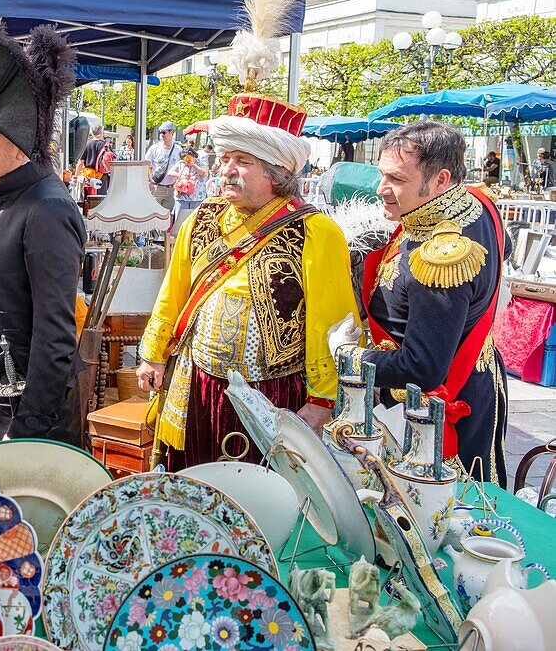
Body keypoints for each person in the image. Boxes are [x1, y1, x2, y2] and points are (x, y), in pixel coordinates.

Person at [136, 93, 361, 467]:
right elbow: (172, 292)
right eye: (224, 159)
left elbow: (335, 324)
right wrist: (153, 355)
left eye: (243, 161)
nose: (227, 170)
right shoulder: (202, 219)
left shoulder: (315, 232)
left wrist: (321, 401)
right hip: (196, 386)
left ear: (276, 172)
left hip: (273, 396)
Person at [329, 121, 509, 485]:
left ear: (441, 180)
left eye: (397, 179)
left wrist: (348, 353)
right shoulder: (471, 200)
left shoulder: (442, 256)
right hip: (474, 376)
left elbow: (422, 366)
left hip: (437, 409)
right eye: (382, 174)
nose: (382, 189)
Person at [0, 19, 84, 445]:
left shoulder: (47, 208)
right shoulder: (6, 194)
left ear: (17, 142)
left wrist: (27, 430)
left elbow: (54, 336)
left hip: (18, 406)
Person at [144, 121, 182, 211]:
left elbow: (182, 168)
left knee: (167, 217)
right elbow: (146, 164)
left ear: (171, 132)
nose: (162, 135)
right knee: (154, 214)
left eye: (164, 132)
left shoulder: (178, 150)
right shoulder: (154, 148)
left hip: (171, 189)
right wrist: (149, 180)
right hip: (157, 188)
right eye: (160, 132)